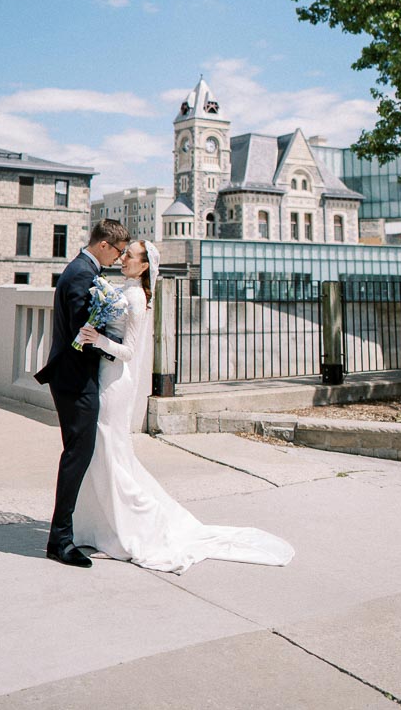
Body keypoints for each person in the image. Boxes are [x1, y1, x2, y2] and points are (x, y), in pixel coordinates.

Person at [73, 239, 294, 575]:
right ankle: (103, 526)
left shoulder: (134, 296)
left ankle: (124, 530)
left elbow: (130, 351)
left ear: (144, 265)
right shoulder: (125, 288)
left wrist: (97, 339)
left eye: (129, 256)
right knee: (104, 452)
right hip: (105, 373)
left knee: (109, 451)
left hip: (115, 380)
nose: (123, 259)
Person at [35, 218, 131, 567]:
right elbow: (82, 334)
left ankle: (66, 533)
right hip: (75, 380)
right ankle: (60, 540)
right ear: (104, 244)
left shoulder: (80, 270)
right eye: (118, 251)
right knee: (77, 455)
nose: (119, 259)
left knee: (78, 454)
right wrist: (111, 347)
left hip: (74, 378)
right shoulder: (81, 275)